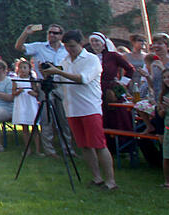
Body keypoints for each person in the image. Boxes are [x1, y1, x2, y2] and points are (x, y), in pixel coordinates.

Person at [42, 30, 117, 190]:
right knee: (83, 145)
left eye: (73, 47)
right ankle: (96, 178)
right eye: (67, 47)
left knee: (98, 145)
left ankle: (111, 181)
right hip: (71, 108)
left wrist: (58, 71)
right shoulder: (66, 60)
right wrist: (49, 74)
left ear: (81, 44)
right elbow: (58, 81)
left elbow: (82, 78)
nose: (70, 50)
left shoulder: (92, 60)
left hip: (89, 107)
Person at [15, 23, 73, 159]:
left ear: (61, 35)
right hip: (45, 85)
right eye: (50, 32)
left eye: (55, 33)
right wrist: (26, 33)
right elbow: (18, 47)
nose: (52, 35)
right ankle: (49, 150)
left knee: (64, 118)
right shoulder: (39, 47)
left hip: (62, 84)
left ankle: (68, 149)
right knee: (46, 119)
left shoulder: (66, 50)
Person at [88, 32, 135, 151]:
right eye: (92, 41)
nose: (95, 44)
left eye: (97, 41)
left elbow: (130, 69)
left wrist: (123, 82)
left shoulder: (113, 56)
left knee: (118, 115)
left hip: (111, 89)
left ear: (103, 43)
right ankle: (105, 144)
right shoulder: (89, 56)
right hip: (96, 89)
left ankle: (124, 145)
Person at [11, 59, 41, 156]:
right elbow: (13, 93)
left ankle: (38, 149)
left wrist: (33, 93)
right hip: (21, 105)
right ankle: (27, 149)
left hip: (31, 105)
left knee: (35, 128)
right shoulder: (16, 80)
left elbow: (37, 93)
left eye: (25, 68)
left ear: (29, 69)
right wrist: (18, 92)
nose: (23, 70)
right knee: (25, 129)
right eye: (21, 68)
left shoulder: (32, 80)